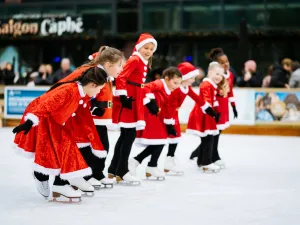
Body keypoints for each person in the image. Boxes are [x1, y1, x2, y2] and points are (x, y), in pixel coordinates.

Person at [13, 66, 107, 202]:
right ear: (93, 84)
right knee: (47, 150)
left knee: (66, 148)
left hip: (57, 120)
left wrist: (93, 110)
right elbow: (46, 105)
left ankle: (64, 181)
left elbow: (78, 109)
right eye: (99, 88)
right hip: (42, 118)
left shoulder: (83, 94)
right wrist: (29, 122)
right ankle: (40, 175)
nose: (98, 92)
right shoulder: (69, 90)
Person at [59, 46, 124, 189]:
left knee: (102, 147)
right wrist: (93, 106)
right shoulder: (95, 73)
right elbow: (85, 91)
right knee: (94, 147)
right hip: (92, 117)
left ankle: (96, 173)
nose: (121, 68)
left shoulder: (107, 75)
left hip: (101, 117)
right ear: (108, 64)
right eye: (119, 65)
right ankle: (87, 175)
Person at [108, 33, 158, 185]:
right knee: (128, 136)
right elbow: (122, 77)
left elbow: (138, 85)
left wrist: (145, 100)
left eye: (151, 49)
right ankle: (122, 171)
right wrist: (123, 96)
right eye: (146, 47)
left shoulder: (142, 61)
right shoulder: (135, 59)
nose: (148, 51)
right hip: (129, 99)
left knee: (125, 136)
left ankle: (113, 169)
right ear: (139, 47)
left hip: (135, 98)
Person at [163, 62, 218, 175]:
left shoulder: (186, 88)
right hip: (167, 114)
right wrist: (169, 121)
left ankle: (169, 161)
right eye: (192, 78)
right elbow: (169, 104)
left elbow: (197, 98)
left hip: (174, 114)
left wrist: (207, 108)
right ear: (185, 77)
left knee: (175, 137)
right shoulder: (176, 88)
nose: (194, 80)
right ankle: (154, 162)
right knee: (160, 140)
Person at [128, 67, 182, 180]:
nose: (176, 86)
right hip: (148, 115)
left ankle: (149, 164)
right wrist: (150, 101)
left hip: (156, 117)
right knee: (160, 141)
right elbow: (145, 88)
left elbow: (167, 107)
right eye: (175, 82)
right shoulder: (159, 83)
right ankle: (139, 161)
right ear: (167, 79)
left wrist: (169, 124)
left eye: (179, 83)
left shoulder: (169, 91)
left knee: (160, 141)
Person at [189, 48, 237, 169]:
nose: (226, 64)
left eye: (227, 61)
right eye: (222, 62)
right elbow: (207, 97)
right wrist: (212, 109)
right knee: (210, 134)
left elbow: (230, 91)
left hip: (221, 107)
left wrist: (233, 106)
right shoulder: (211, 80)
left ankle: (202, 156)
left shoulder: (229, 75)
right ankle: (210, 157)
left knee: (214, 134)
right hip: (212, 109)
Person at [186, 62, 224, 172]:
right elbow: (207, 100)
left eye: (221, 75)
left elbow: (214, 100)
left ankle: (202, 161)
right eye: (217, 74)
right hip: (204, 115)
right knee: (208, 139)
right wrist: (212, 111)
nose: (219, 77)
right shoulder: (206, 84)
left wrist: (216, 111)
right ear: (210, 72)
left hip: (208, 114)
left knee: (207, 139)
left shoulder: (212, 85)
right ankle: (206, 162)